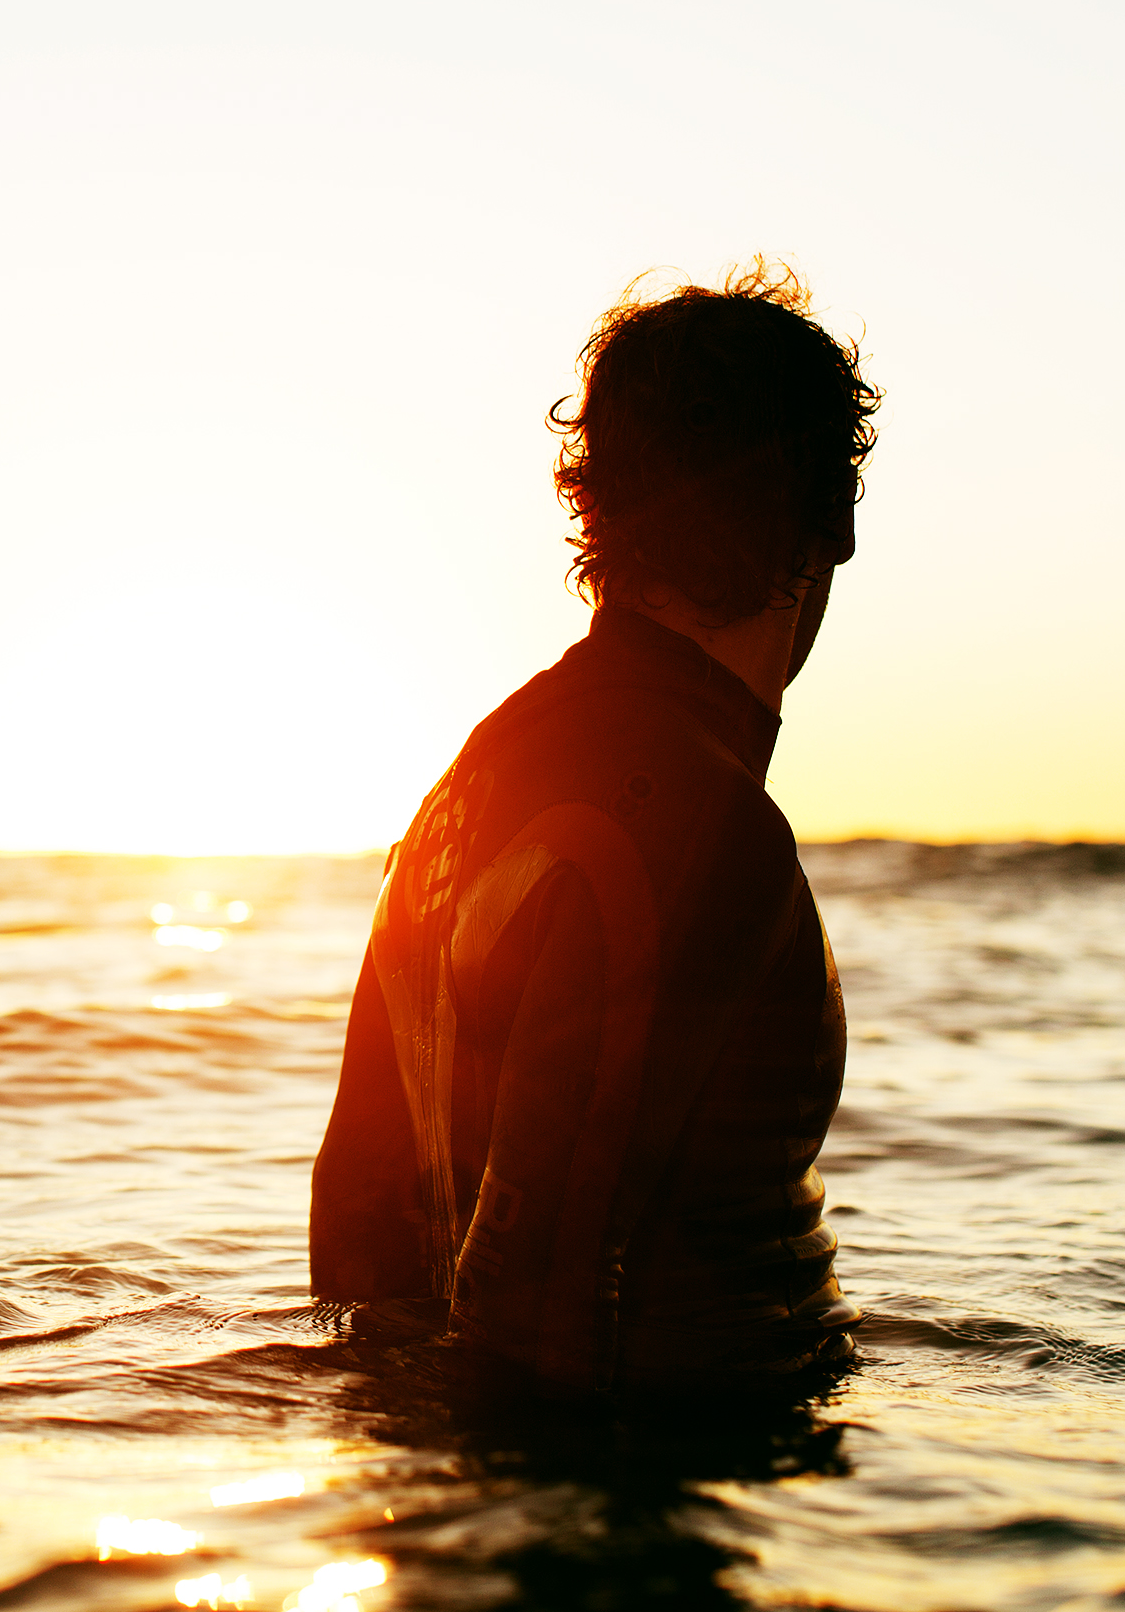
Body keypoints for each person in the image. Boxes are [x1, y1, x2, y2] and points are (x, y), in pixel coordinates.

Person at [310, 260, 880, 1396]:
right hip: (665, 1487)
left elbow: (354, 1237)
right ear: (830, 524)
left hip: (464, 1507)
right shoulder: (698, 831)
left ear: (597, 506)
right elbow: (534, 1306)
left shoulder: (461, 797)